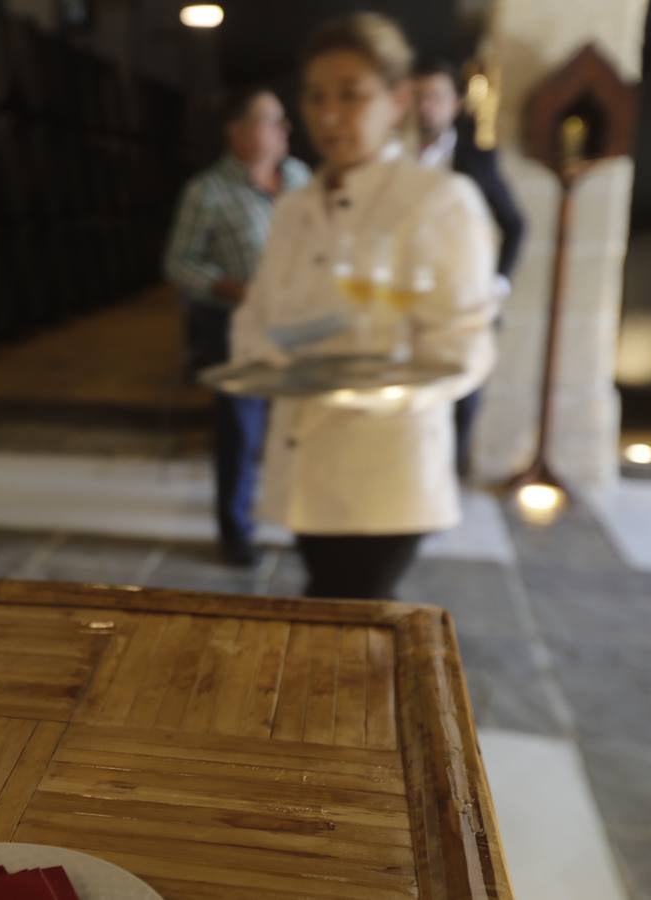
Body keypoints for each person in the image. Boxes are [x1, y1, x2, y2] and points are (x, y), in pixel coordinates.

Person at [230, 13, 497, 599]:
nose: (328, 115)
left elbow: (462, 347)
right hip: (302, 453)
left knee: (352, 613)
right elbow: (259, 316)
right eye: (317, 96)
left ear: (397, 99)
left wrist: (365, 384)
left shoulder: (438, 201)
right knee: (330, 605)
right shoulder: (297, 206)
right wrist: (262, 357)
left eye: (351, 95)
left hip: (385, 469)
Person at [164, 87, 312, 566]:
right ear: (238, 131)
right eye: (272, 120)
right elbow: (179, 263)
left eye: (283, 120)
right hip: (241, 328)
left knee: (300, 429)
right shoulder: (207, 191)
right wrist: (233, 288)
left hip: (302, 327)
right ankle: (237, 531)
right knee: (242, 434)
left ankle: (305, 522)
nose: (284, 130)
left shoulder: (299, 177)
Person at [414, 59, 526, 479]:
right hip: (408, 299)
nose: (427, 107)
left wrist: (496, 285)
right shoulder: (395, 158)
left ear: (453, 104)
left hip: (462, 300)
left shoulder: (475, 160)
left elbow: (515, 224)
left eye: (436, 97)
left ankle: (445, 484)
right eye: (420, 96)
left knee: (461, 399)